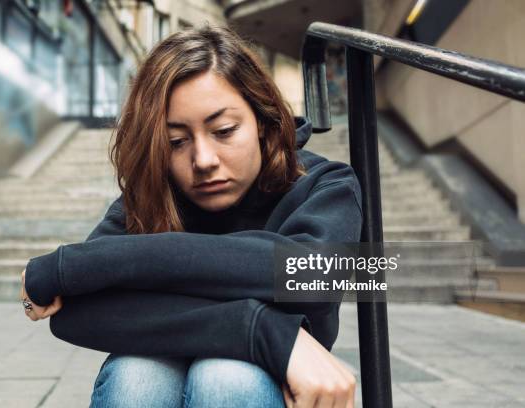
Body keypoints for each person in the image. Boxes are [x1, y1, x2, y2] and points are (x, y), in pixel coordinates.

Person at [20, 24, 362, 408]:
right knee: (137, 376)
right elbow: (77, 314)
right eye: (175, 142)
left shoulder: (325, 185)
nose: (203, 161)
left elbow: (305, 273)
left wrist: (80, 266)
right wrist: (262, 328)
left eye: (224, 130)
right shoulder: (151, 196)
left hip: (258, 389)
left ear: (264, 123)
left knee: (226, 376)